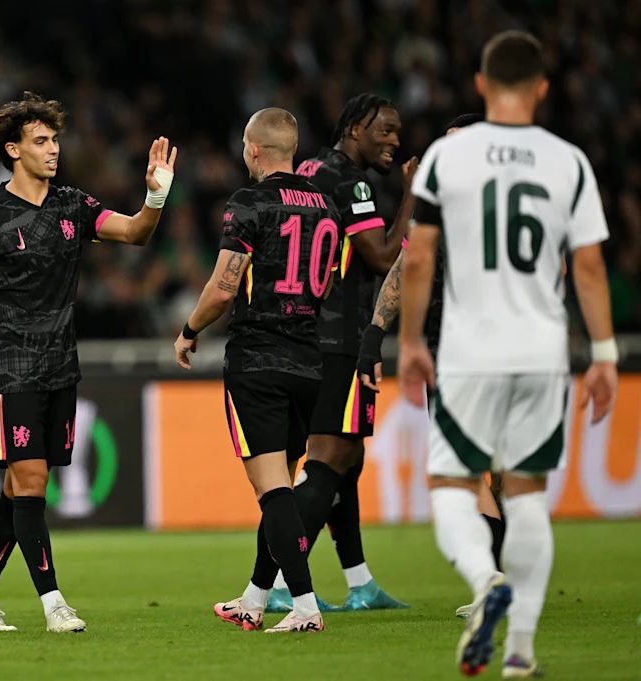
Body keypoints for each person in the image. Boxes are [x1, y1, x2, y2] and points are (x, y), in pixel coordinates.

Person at [398, 31, 617, 678]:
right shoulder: (568, 160)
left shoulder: (445, 159)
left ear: (480, 86)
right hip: (542, 351)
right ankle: (520, 650)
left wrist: (411, 341)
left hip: (468, 349)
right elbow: (591, 267)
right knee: (526, 499)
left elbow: (419, 260)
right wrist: (603, 352)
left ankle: (483, 576)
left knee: (452, 487)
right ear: (543, 87)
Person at [0, 92, 176, 633]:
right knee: (33, 480)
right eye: (41, 141)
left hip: (61, 364)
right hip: (12, 364)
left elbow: (135, 233)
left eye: (55, 140)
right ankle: (53, 604)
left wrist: (156, 197)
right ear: (13, 149)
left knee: (17, 488)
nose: (53, 149)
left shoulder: (74, 205)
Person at [174, 107, 340, 634]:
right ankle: (253, 598)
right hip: (310, 360)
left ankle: (306, 606)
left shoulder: (249, 202)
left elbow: (224, 287)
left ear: (253, 150)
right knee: (282, 489)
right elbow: (328, 285)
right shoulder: (329, 208)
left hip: (258, 360)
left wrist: (189, 330)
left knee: (272, 492)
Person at [356, 112, 507, 619]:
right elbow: (407, 264)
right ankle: (497, 581)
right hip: (454, 348)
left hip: (491, 347)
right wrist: (375, 332)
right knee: (479, 469)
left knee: (484, 470)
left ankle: (494, 578)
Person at [267, 94, 413, 613]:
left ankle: (359, 582)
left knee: (346, 460)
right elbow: (380, 256)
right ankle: (280, 582)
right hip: (341, 338)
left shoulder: (308, 169)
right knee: (334, 456)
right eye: (385, 130)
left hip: (305, 331)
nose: (394, 140)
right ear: (354, 128)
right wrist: (413, 196)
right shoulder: (353, 182)